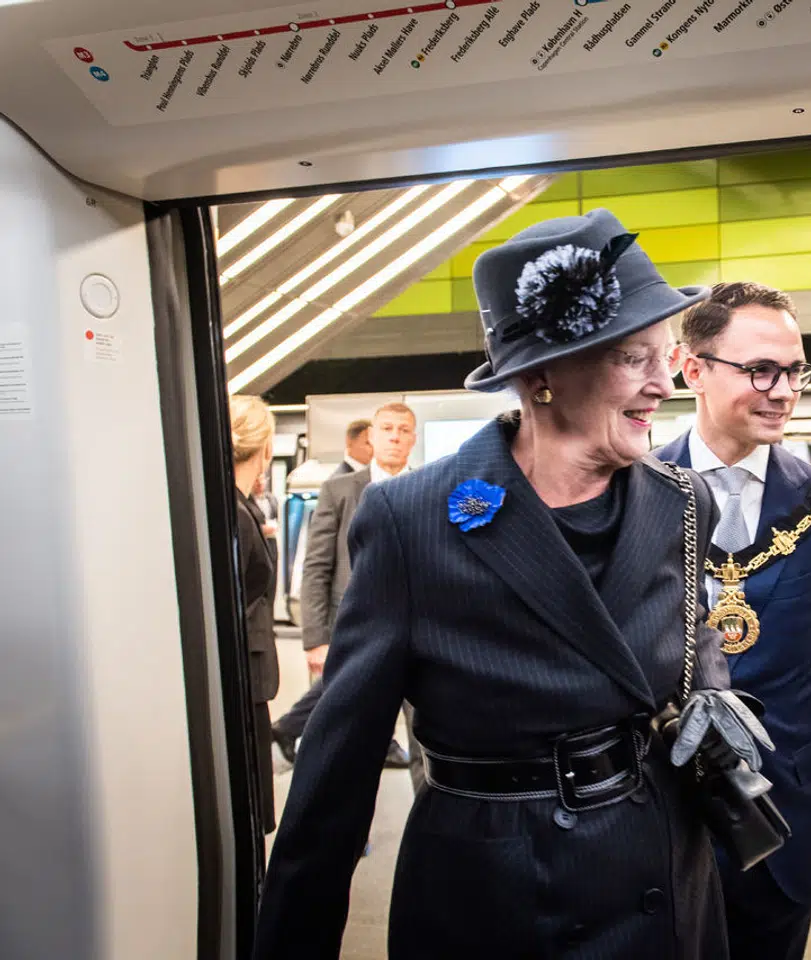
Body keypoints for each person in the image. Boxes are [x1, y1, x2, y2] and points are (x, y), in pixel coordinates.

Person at [255, 210, 768, 960]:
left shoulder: (682, 502)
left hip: (660, 876)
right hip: (496, 888)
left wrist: (716, 699)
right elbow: (337, 772)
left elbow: (692, 653)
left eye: (668, 356)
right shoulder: (412, 520)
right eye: (636, 358)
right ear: (539, 379)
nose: (665, 383)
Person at [659, 281, 811, 960]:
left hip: (786, 807)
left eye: (795, 370)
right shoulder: (635, 489)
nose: (784, 389)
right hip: (659, 809)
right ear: (693, 368)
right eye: (761, 369)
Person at [270, 403, 418, 778]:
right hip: (357, 634)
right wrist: (315, 638)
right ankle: (352, 835)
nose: (395, 437)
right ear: (371, 436)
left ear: (414, 438)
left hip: (420, 637)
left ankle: (429, 831)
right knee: (352, 746)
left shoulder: (432, 484)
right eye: (387, 428)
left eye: (403, 430)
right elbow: (317, 567)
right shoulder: (339, 491)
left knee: (426, 746)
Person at [231, 395, 281, 834]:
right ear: (264, 448)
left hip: (246, 679)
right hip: (243, 680)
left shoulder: (240, 509)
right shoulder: (238, 514)